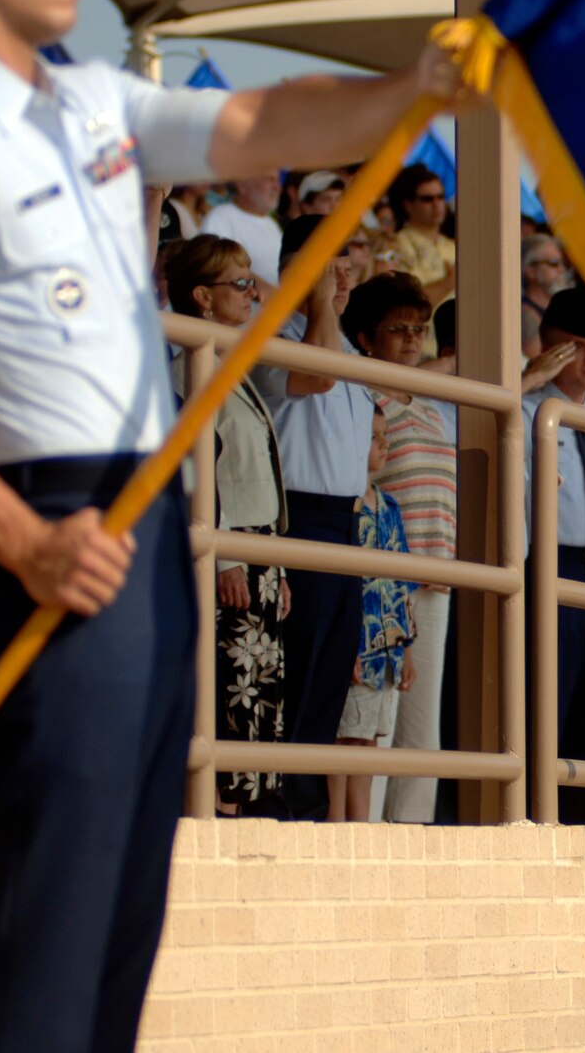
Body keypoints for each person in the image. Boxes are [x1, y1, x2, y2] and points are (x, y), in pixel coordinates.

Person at [0, 0, 459, 1047]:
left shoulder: (86, 100)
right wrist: (23, 538)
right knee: (49, 916)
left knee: (124, 912)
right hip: (49, 518)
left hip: (143, 520)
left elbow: (253, 126)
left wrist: (414, 86)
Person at [252, 215, 378, 821]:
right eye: (330, 260)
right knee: (294, 676)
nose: (343, 273)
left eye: (348, 259)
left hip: (345, 525)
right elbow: (316, 374)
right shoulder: (272, 329)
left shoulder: (345, 341)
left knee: (328, 681)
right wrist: (320, 301)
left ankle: (301, 811)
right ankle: (276, 810)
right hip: (296, 519)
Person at [166, 234, 292, 816]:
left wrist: (279, 564)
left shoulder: (227, 363)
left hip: (260, 554)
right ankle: (216, 815)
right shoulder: (189, 365)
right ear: (202, 297)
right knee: (229, 692)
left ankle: (241, 819)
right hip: (230, 553)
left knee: (259, 694)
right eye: (239, 285)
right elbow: (201, 469)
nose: (251, 294)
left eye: (251, 282)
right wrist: (226, 556)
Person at [341, 271, 455, 822]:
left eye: (419, 328)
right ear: (366, 338)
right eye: (398, 329)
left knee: (420, 722)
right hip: (384, 579)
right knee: (377, 717)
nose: (412, 338)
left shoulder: (433, 405)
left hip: (435, 576)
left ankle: (413, 835)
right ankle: (371, 842)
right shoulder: (364, 398)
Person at [523, 286, 585, 822]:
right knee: (545, 705)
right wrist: (527, 377)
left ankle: (579, 828)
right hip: (548, 565)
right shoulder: (528, 409)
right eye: (577, 347)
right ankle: (538, 818)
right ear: (549, 348)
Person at [331, 406, 415, 822]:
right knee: (345, 736)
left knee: (368, 740)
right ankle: (335, 822)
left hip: (388, 650)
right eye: (373, 436)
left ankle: (359, 826)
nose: (384, 444)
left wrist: (408, 651)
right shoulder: (345, 508)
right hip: (358, 645)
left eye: (385, 436)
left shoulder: (390, 508)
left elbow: (403, 584)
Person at [387, 162, 456, 353]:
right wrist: (450, 281)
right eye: (427, 199)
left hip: (457, 350)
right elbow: (408, 305)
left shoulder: (452, 246)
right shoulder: (396, 245)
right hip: (420, 350)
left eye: (441, 197)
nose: (437, 204)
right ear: (408, 204)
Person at [199, 173, 283, 286]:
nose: (277, 186)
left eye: (277, 180)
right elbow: (213, 268)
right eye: (269, 179)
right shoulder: (219, 218)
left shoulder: (272, 224)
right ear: (242, 184)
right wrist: (263, 289)